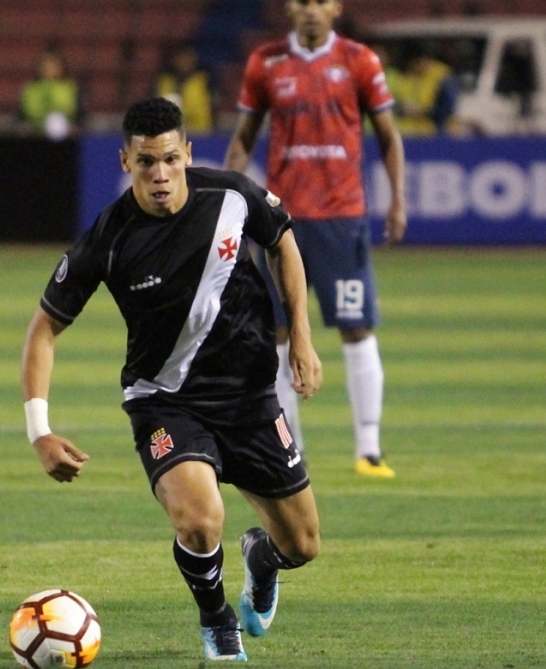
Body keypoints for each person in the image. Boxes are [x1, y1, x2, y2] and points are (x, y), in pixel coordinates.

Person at [21, 97, 323, 662]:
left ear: (186, 152)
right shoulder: (109, 238)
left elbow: (282, 241)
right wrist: (40, 431)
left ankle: (262, 558)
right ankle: (217, 619)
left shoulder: (232, 196)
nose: (159, 174)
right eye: (145, 163)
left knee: (303, 545)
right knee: (201, 521)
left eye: (169, 160)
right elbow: (44, 330)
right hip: (166, 401)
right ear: (126, 161)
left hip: (250, 398)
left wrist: (300, 335)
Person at [224, 0, 406, 478]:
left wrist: (397, 200)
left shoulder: (359, 60)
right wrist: (227, 203)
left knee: (355, 327)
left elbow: (388, 134)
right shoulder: (265, 62)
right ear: (290, 8)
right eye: (303, 1)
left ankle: (369, 449)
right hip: (279, 220)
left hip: (340, 218)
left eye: (321, 1)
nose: (311, 10)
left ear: (336, 8)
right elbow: (244, 138)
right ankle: (292, 450)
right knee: (277, 334)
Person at [19, 48, 81, 140]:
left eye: (53, 65)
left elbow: (80, 114)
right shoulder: (31, 88)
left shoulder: (70, 87)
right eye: (46, 65)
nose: (50, 69)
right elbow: (21, 114)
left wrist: (75, 126)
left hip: (64, 133)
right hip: (35, 134)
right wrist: (23, 125)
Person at [155, 42, 216, 134]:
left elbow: (214, 105)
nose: (185, 62)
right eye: (181, 58)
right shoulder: (165, 81)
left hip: (201, 132)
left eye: (188, 58)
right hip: (172, 134)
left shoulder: (204, 79)